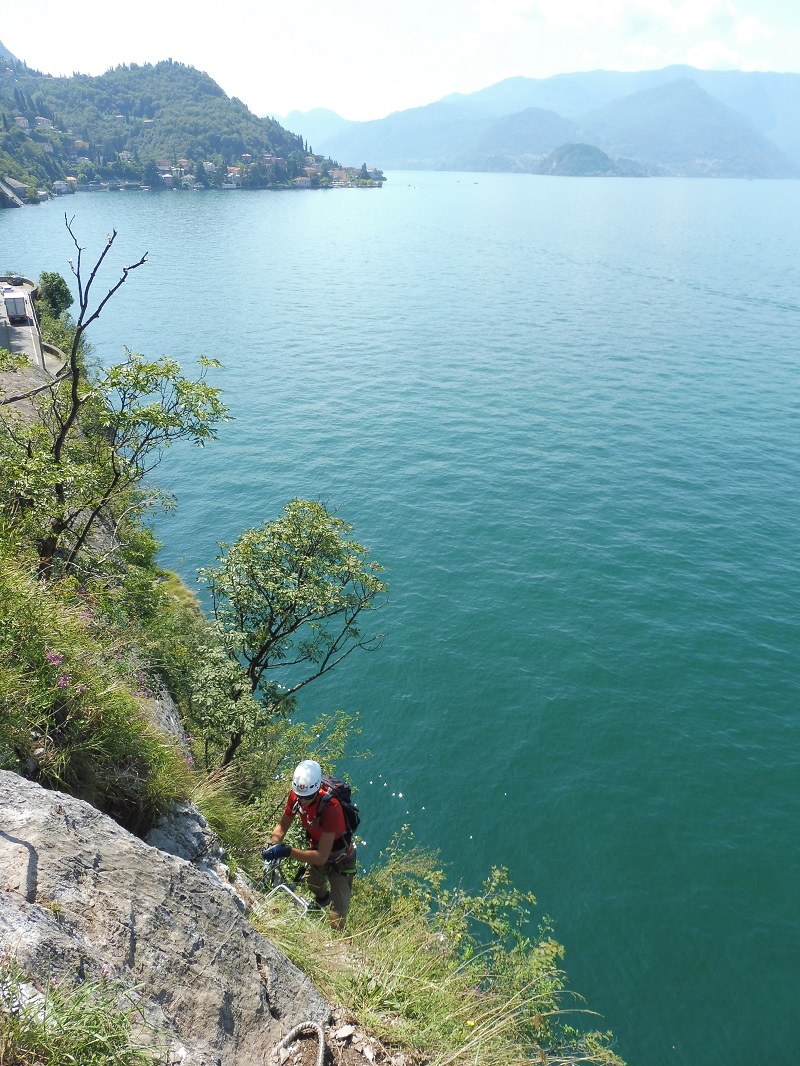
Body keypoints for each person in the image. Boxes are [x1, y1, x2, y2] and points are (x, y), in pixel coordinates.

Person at [262, 759, 357, 930]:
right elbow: (282, 826)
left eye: (307, 798)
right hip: (318, 849)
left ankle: (336, 942)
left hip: (341, 861)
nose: (303, 802)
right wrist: (272, 845)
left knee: (338, 916)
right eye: (300, 797)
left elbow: (321, 857)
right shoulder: (297, 796)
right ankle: (322, 901)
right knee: (312, 882)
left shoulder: (331, 808)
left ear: (316, 790)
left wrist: (286, 851)